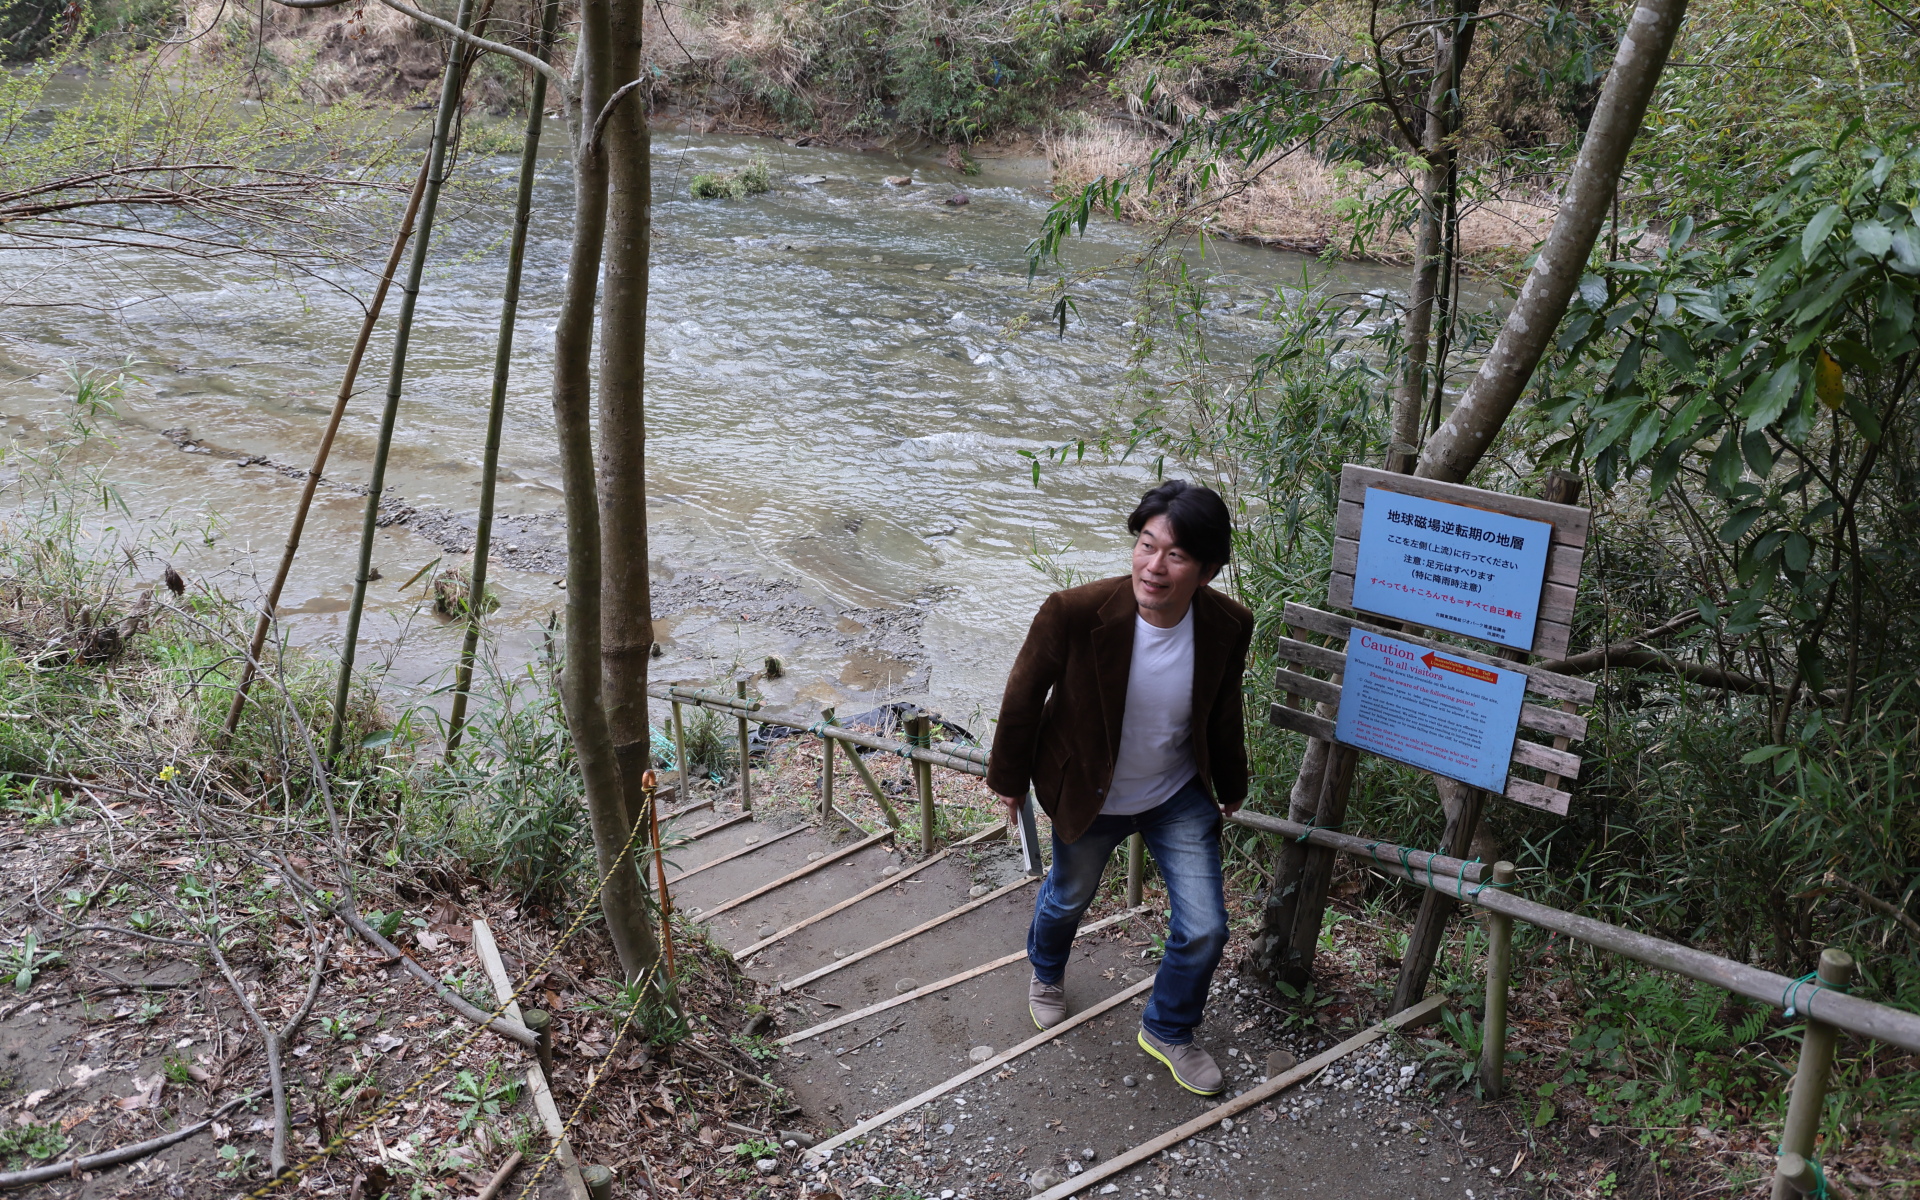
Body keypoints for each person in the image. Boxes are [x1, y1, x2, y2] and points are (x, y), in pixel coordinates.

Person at [985, 479, 1252, 1097]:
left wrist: (1232, 781)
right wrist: (1009, 779)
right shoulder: (1075, 612)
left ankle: (1168, 1028)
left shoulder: (1227, 624)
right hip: (1090, 792)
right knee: (1068, 897)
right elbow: (1023, 695)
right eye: (1146, 544)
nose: (1153, 566)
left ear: (1207, 570)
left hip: (1176, 793)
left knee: (1207, 926)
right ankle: (1046, 972)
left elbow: (1222, 707)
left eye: (1176, 555)